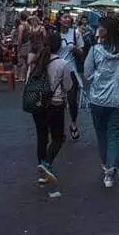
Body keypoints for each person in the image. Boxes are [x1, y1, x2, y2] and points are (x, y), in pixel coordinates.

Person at [84, 15, 119, 187]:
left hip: (98, 99)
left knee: (101, 134)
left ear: (106, 30)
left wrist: (97, 80)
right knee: (115, 134)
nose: (98, 29)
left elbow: (87, 73)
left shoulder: (95, 50)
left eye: (100, 27)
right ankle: (111, 169)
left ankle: (107, 165)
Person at [29, 32, 73, 184]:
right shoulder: (62, 64)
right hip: (55, 104)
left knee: (41, 136)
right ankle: (46, 163)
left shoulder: (37, 61)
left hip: (38, 103)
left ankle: (42, 171)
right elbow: (67, 86)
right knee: (57, 138)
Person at [58, 13, 85, 141]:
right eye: (64, 17)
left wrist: (75, 50)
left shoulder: (75, 34)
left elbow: (82, 53)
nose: (67, 19)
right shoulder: (54, 34)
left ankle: (73, 123)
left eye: (69, 17)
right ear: (59, 20)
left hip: (71, 71)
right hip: (56, 70)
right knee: (57, 101)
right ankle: (59, 128)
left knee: (72, 100)